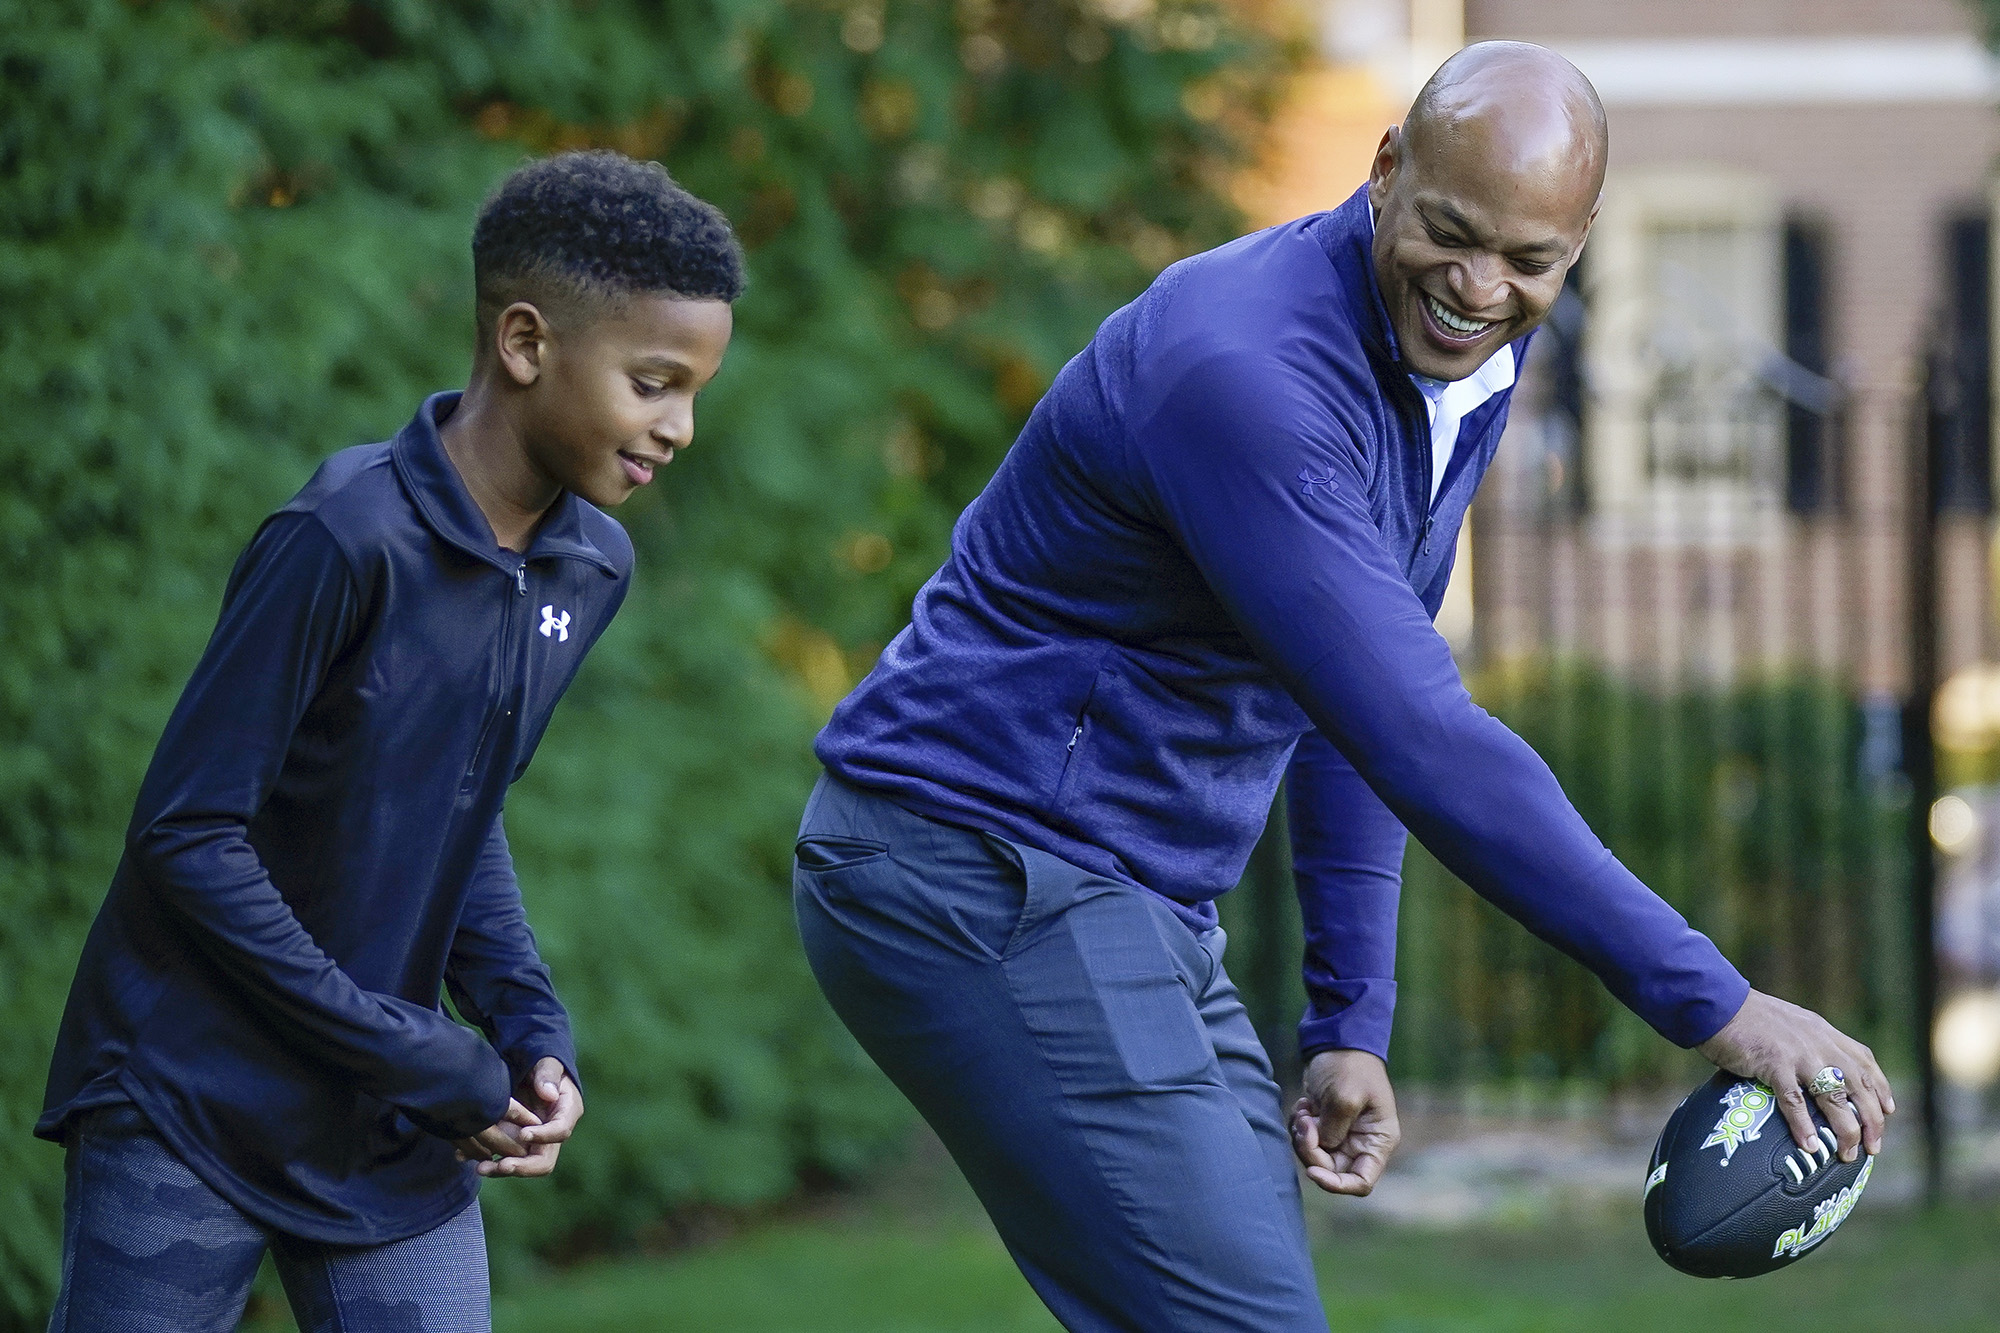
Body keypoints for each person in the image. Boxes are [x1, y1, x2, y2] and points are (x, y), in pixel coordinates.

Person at [793, 42, 1891, 1332]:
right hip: (978, 869)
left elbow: (1353, 695)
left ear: (1578, 246)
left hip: (1125, 894)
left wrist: (1348, 1018)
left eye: (1529, 262)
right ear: (1383, 173)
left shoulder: (1463, 361)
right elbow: (1420, 735)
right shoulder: (1246, 375)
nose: (1479, 288)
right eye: (1449, 232)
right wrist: (1715, 1001)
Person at [37, 149, 740, 1332]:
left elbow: (463, 807)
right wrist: (423, 1055)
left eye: (693, 394)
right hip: (186, 1097)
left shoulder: (588, 566)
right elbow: (187, 835)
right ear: (525, 345)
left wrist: (526, 1028)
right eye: (655, 382)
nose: (678, 427)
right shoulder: (341, 536)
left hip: (385, 1126)